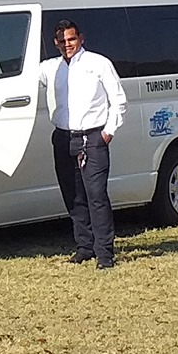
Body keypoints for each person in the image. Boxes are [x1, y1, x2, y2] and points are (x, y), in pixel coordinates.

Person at [47, 19, 127, 267]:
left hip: (93, 137)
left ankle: (104, 253)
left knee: (96, 195)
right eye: (62, 41)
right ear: (55, 43)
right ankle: (85, 247)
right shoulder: (51, 68)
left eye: (71, 39)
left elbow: (119, 100)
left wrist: (108, 132)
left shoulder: (98, 63)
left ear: (81, 38)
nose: (67, 44)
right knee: (73, 196)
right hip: (64, 136)